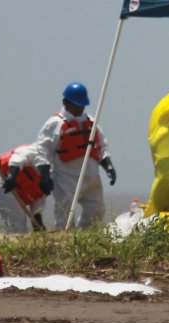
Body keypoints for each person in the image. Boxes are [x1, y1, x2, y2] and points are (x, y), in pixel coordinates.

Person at [34, 82, 116, 230]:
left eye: (82, 105)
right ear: (66, 103)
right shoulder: (55, 124)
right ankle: (63, 242)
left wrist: (108, 165)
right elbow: (42, 149)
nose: (80, 108)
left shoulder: (91, 122)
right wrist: (44, 174)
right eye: (76, 104)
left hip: (91, 177)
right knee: (65, 215)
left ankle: (85, 239)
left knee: (96, 210)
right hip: (66, 179)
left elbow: (102, 146)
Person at [0, 144, 46, 232]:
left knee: (21, 220)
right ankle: (16, 243)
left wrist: (38, 225)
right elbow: (16, 160)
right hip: (1, 177)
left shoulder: (50, 179)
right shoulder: (37, 151)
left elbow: (38, 203)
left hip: (17, 187)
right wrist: (12, 177)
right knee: (18, 219)